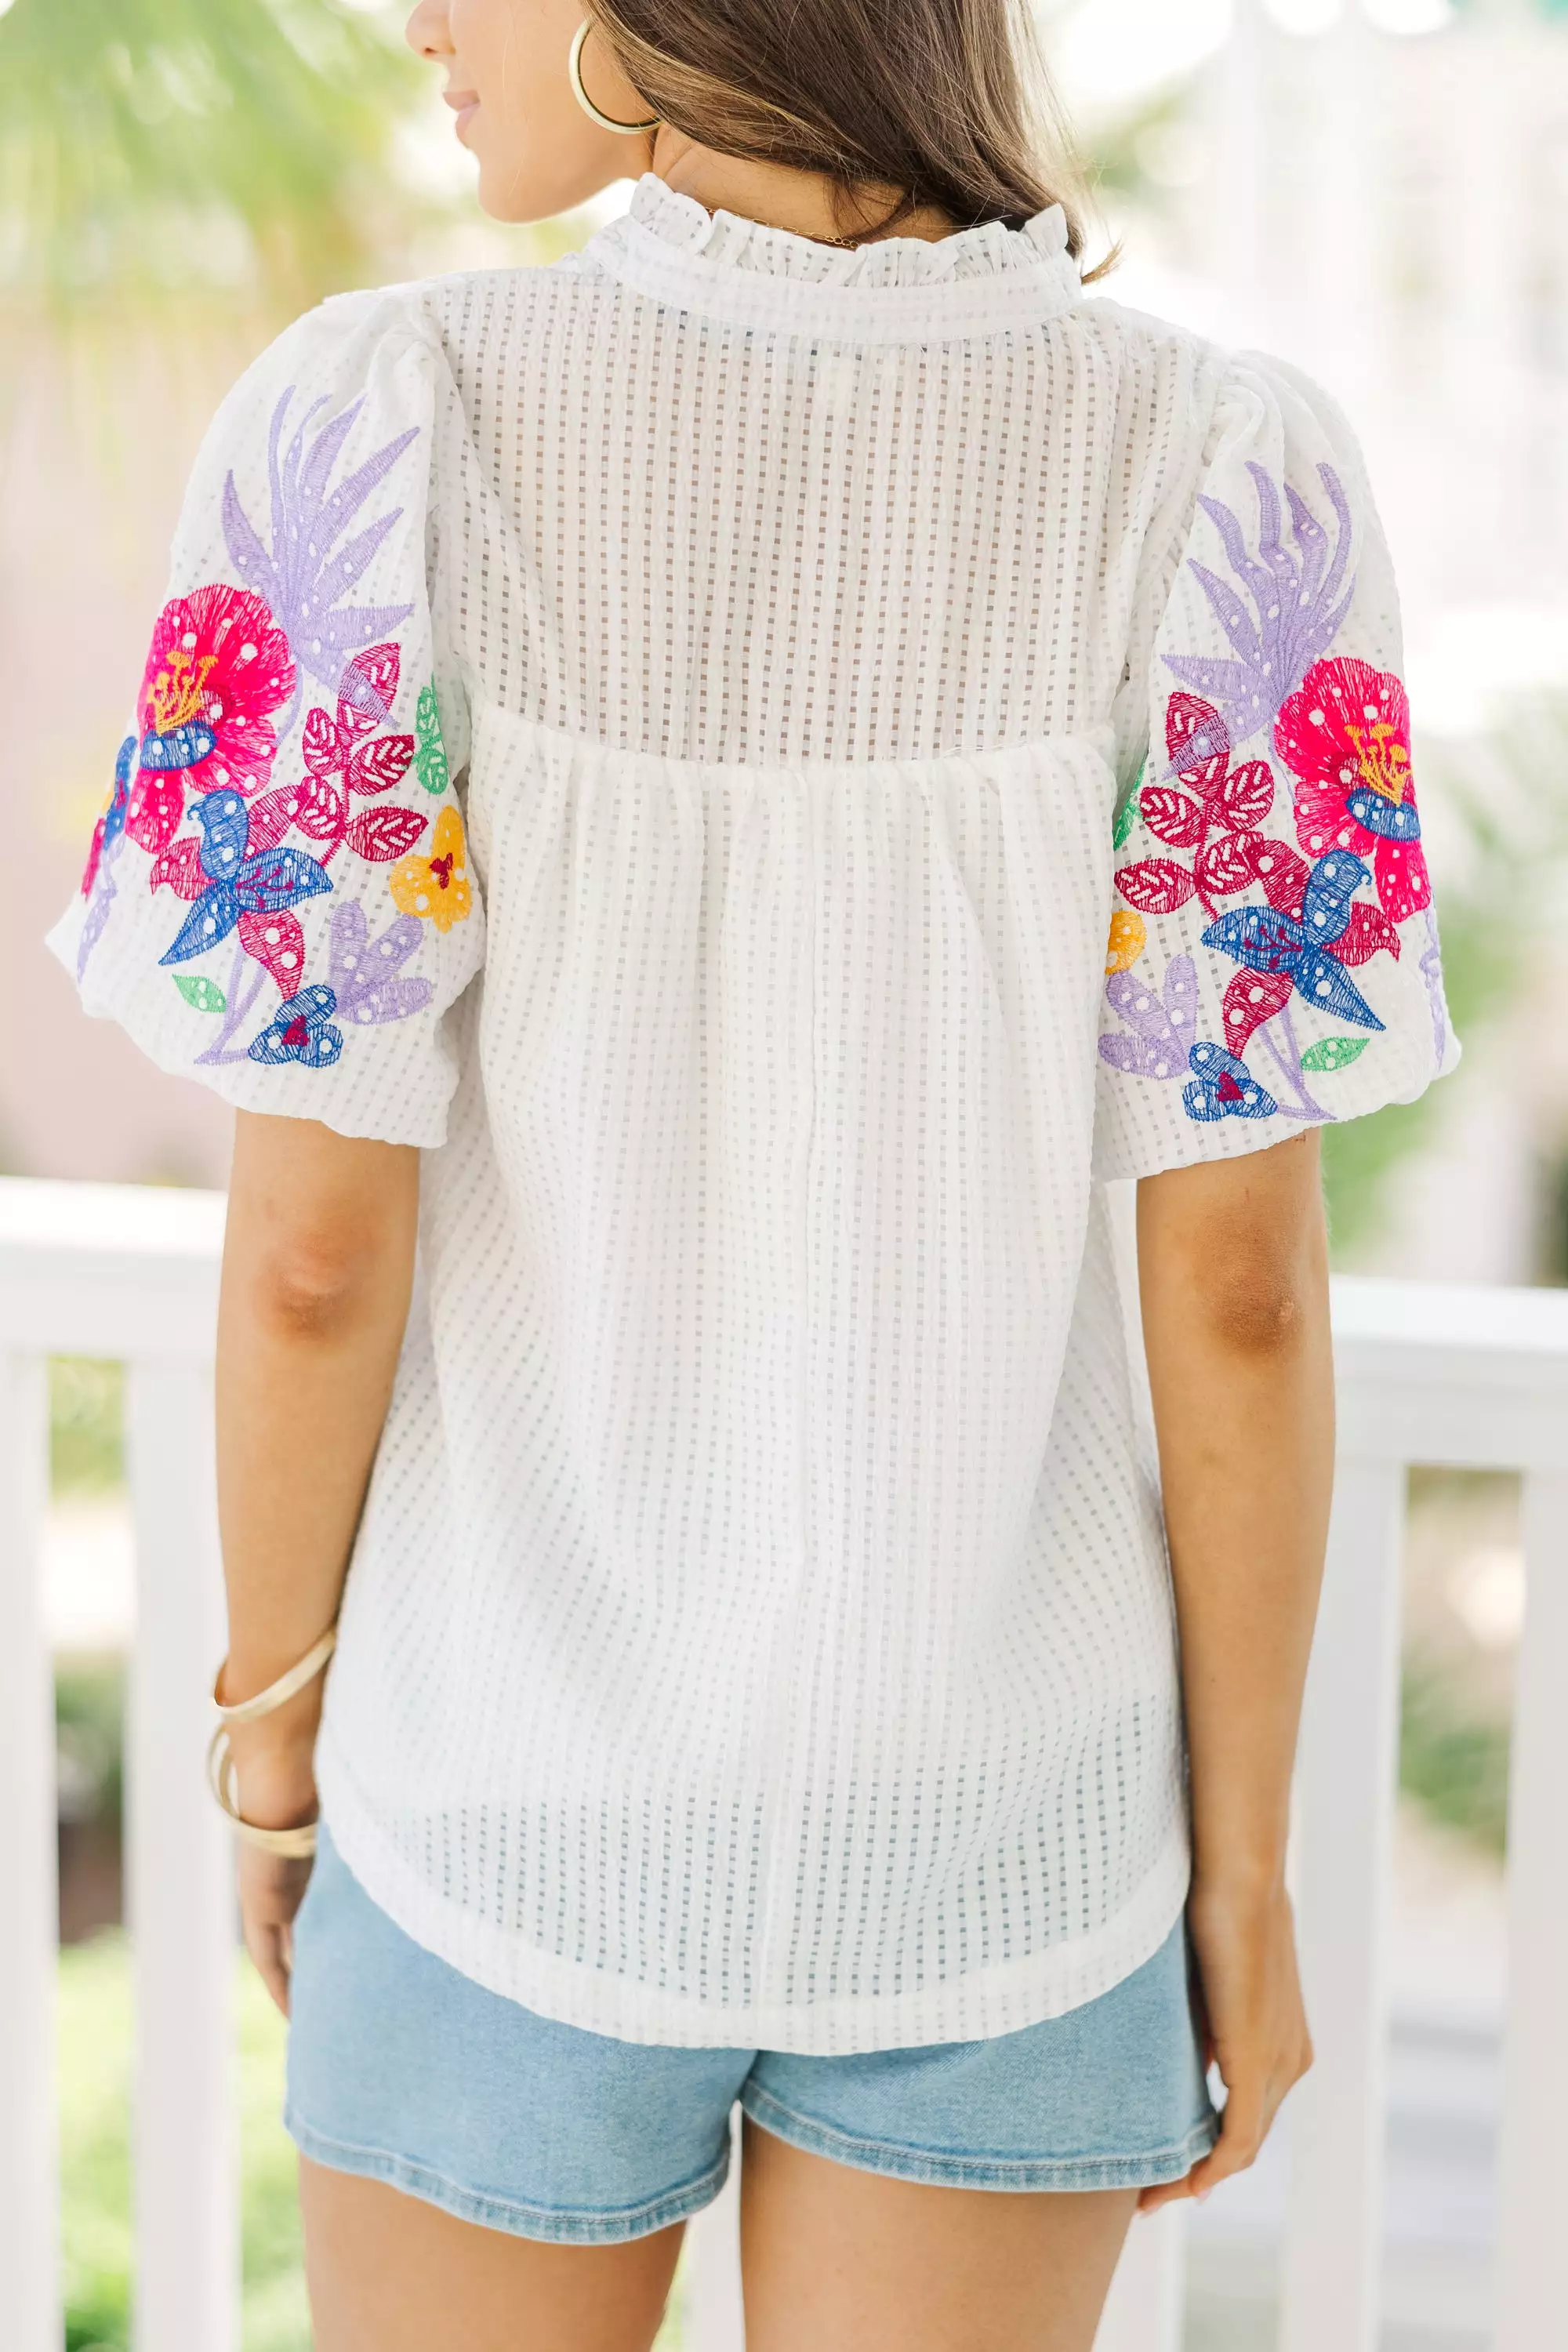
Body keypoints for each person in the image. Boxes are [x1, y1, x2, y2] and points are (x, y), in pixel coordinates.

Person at [46, 1, 1459, 2344]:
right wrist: (1245, 1873)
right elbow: (1242, 1290)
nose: (418, 19)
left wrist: (276, 1740)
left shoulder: (374, 426)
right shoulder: (1231, 471)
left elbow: (311, 1257)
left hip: (498, 1802)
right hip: (1016, 1843)